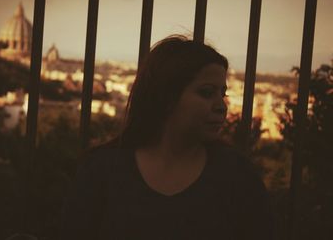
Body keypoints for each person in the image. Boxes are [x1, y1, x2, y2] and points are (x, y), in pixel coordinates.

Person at [61, 35, 276, 239]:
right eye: (207, 92)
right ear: (166, 97)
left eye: (223, 93)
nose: (221, 106)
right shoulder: (100, 172)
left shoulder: (239, 177)